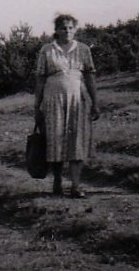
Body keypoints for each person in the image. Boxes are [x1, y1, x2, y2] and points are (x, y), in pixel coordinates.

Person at [35, 14, 101, 198]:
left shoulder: (83, 49)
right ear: (56, 30)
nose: (68, 31)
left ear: (75, 29)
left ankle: (75, 185)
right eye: (63, 28)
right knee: (55, 139)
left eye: (71, 28)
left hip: (78, 99)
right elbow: (40, 79)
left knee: (77, 139)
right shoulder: (47, 50)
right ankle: (57, 181)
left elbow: (90, 76)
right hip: (53, 99)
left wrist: (95, 102)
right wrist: (37, 106)